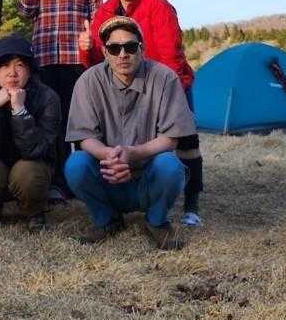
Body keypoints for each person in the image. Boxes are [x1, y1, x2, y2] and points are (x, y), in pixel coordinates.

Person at [79, 0, 205, 227]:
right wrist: (86, 49)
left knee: (186, 142)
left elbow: (171, 56)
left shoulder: (157, 4)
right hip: (127, 85)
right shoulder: (106, 11)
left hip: (169, 82)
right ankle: (131, 194)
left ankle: (192, 203)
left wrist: (167, 96)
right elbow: (99, 60)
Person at [65, 16, 196, 250]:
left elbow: (171, 138)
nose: (122, 54)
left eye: (130, 47)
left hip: (148, 175)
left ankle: (156, 221)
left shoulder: (165, 78)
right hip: (107, 173)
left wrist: (133, 153)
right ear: (105, 52)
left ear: (142, 49)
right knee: (76, 164)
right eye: (114, 48)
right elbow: (84, 137)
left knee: (171, 166)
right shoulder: (88, 81)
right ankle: (106, 219)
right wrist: (110, 156)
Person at [18, 0, 101, 197]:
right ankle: (57, 182)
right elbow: (25, 12)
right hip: (44, 58)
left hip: (76, 58)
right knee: (51, 119)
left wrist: (92, 41)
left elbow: (98, 16)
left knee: (80, 118)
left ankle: (84, 179)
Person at [0, 36, 63, 233]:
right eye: (5, 66)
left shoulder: (47, 97)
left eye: (20, 65)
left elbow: (36, 150)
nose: (12, 73)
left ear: (30, 70)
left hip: (32, 165)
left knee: (28, 171)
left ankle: (34, 213)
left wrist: (19, 110)